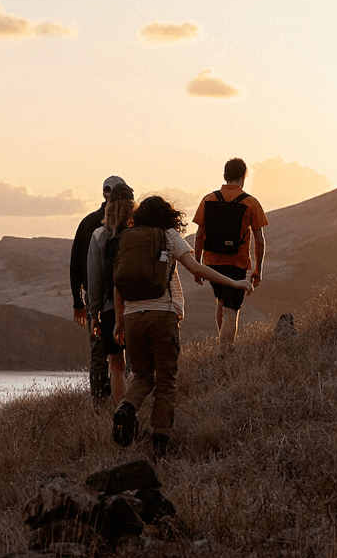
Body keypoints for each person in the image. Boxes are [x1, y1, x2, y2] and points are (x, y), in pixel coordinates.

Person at [111, 195, 252, 457]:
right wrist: (234, 283)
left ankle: (125, 407)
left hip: (132, 317)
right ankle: (160, 441)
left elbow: (117, 281)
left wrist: (119, 320)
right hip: (162, 315)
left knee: (141, 376)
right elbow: (196, 268)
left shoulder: (127, 238)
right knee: (165, 380)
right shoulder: (169, 236)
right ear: (167, 215)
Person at [192, 157, 267, 351]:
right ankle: (226, 353)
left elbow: (200, 235)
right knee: (231, 309)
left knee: (221, 300)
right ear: (244, 177)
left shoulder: (209, 199)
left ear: (225, 176)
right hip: (237, 263)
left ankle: (222, 346)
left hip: (212, 262)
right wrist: (258, 268)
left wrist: (197, 266)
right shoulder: (251, 203)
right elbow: (259, 240)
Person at [70, 175, 130, 400]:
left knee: (99, 354)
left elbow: (77, 265)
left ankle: (99, 402)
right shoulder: (136, 225)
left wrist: (80, 303)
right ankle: (129, 401)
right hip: (134, 299)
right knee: (129, 354)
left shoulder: (89, 224)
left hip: (101, 301)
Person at [86, 184, 135, 406]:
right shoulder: (140, 234)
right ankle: (136, 408)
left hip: (109, 308)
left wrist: (93, 313)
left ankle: (120, 414)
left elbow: (94, 279)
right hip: (139, 306)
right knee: (141, 366)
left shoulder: (99, 235)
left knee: (117, 365)